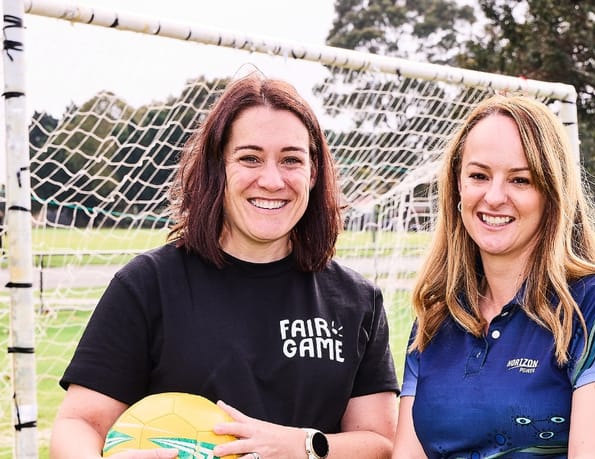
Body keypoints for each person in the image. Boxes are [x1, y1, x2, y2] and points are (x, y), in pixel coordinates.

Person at [50, 74, 399, 459]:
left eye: (291, 160)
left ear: (313, 173)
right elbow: (80, 423)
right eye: (250, 158)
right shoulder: (149, 284)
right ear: (218, 167)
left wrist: (303, 446)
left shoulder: (356, 300)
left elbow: (381, 443)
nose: (272, 180)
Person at [392, 94, 595, 458]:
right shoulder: (436, 317)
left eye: (520, 180)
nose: (494, 196)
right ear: (457, 187)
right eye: (479, 176)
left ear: (552, 194)